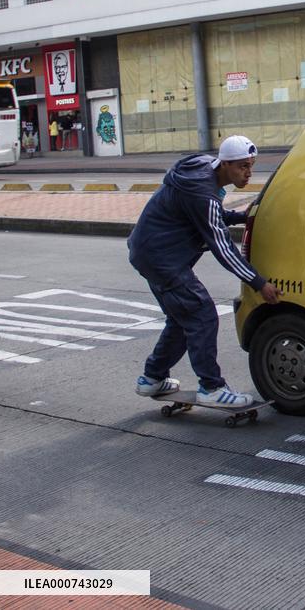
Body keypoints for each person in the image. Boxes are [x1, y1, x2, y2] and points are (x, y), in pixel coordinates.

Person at [127, 135, 281, 407]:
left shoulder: (202, 172)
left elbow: (207, 215)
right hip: (163, 260)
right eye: (243, 166)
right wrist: (259, 283)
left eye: (251, 165)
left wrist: (240, 217)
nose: (248, 173)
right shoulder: (203, 192)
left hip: (149, 252)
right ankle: (211, 387)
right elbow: (222, 247)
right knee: (202, 315)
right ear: (226, 164)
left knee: (182, 318)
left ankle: (152, 378)